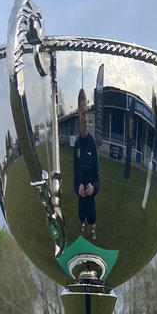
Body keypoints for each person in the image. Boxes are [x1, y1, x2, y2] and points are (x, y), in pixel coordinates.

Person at [73, 89, 101, 239]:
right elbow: (74, 176)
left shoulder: (92, 145)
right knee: (81, 213)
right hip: (80, 195)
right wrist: (77, 187)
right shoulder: (76, 145)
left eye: (86, 114)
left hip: (90, 196)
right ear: (78, 115)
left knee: (92, 215)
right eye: (81, 114)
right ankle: (82, 225)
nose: (84, 119)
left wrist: (93, 188)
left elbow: (98, 180)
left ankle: (93, 229)